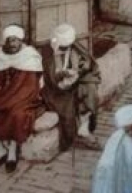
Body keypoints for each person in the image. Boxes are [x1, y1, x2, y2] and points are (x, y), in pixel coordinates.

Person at [0, 24, 44, 173]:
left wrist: (13, 99)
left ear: (21, 41)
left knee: (16, 114)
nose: (12, 44)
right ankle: (0, 151)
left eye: (15, 40)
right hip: (3, 96)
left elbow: (31, 85)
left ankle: (12, 153)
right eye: (9, 40)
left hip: (25, 98)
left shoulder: (29, 55)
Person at [40, 23, 101, 152]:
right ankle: (73, 135)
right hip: (55, 88)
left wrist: (78, 71)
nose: (65, 48)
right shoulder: (46, 52)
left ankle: (84, 128)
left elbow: (88, 63)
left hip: (74, 81)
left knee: (89, 89)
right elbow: (47, 77)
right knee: (66, 105)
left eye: (67, 46)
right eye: (62, 47)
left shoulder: (75, 47)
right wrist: (61, 77)